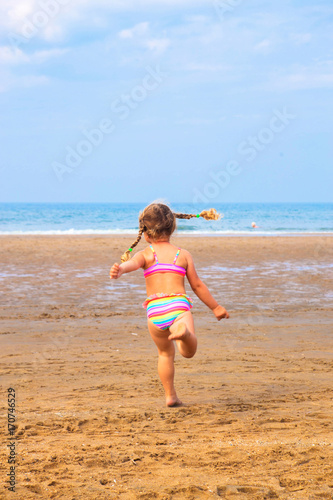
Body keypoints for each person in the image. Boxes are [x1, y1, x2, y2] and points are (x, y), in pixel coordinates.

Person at [110, 202, 229, 407]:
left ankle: (170, 396)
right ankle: (183, 334)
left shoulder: (146, 254)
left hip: (154, 312)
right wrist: (216, 307)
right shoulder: (182, 255)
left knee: (165, 354)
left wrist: (120, 269)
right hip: (177, 308)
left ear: (145, 234)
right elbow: (197, 285)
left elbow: (132, 264)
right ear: (172, 228)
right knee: (187, 352)